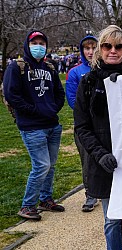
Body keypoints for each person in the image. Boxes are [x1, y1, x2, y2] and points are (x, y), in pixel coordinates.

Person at [73, 25, 122, 249]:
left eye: (118, 46)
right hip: (103, 164)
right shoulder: (87, 83)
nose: (112, 50)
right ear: (99, 49)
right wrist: (100, 154)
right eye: (107, 45)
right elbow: (82, 127)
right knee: (111, 220)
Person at [3, 30, 66, 220]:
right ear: (27, 45)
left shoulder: (50, 67)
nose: (39, 46)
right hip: (31, 126)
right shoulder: (16, 67)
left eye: (42, 42)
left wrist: (53, 108)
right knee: (41, 165)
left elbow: (59, 92)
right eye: (34, 42)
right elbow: (11, 95)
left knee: (51, 165)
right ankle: (27, 204)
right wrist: (34, 109)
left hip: (52, 124)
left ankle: (45, 199)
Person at [65, 34, 99, 212]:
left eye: (94, 47)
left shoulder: (103, 69)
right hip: (85, 124)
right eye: (87, 48)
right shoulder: (75, 72)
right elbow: (72, 100)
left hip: (104, 124)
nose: (90, 51)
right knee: (86, 160)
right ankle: (90, 194)